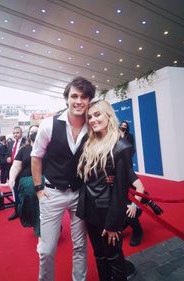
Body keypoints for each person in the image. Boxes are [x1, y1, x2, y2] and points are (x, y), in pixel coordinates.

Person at [31, 76, 96, 281]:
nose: (79, 101)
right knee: (47, 250)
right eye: (74, 96)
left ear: (89, 100)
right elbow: (36, 157)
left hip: (79, 193)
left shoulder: (92, 125)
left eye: (84, 97)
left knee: (80, 245)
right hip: (51, 193)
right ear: (66, 98)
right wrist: (39, 190)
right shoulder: (49, 124)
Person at [77, 100, 136, 281]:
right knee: (99, 256)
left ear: (108, 116)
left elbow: (120, 193)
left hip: (108, 213)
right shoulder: (89, 143)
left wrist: (113, 225)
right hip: (89, 210)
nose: (93, 120)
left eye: (97, 115)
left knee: (114, 257)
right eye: (89, 117)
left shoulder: (121, 147)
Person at [8, 125, 40, 236]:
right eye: (32, 132)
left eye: (37, 131)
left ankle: (47, 227)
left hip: (44, 179)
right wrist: (12, 178)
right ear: (28, 135)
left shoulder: (48, 148)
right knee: (30, 193)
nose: (34, 133)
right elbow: (16, 166)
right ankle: (37, 224)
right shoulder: (24, 149)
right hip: (26, 179)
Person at [7, 126, 26, 220]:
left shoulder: (26, 142)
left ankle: (26, 212)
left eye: (17, 132)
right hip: (12, 171)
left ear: (21, 133)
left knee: (25, 192)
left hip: (24, 171)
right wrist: (7, 158)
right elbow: (7, 155)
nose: (15, 134)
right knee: (14, 192)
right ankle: (17, 211)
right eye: (14, 133)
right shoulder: (10, 143)